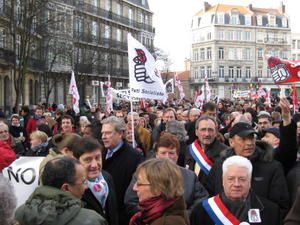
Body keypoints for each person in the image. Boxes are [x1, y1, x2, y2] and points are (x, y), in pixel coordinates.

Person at [205, 122, 290, 219]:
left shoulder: (272, 167)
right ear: (231, 142)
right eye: (243, 139)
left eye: (251, 138)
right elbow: (209, 196)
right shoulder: (220, 166)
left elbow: (281, 206)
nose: (249, 143)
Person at [125, 133, 209, 219]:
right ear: (156, 155)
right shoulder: (142, 175)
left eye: (171, 153)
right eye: (163, 153)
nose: (167, 157)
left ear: (177, 155)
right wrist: (154, 216)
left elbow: (201, 199)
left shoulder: (190, 176)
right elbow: (131, 202)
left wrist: (184, 216)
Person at [15, 157, 107, 225]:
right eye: (83, 182)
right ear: (66, 188)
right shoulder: (92, 220)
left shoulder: (20, 214)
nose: (86, 187)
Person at [190, 155, 280, 225]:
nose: (236, 184)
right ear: (223, 180)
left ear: (250, 181)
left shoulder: (270, 211)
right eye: (231, 179)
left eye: (242, 179)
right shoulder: (202, 211)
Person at [101, 116, 143, 225]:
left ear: (120, 134)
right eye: (102, 133)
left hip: (121, 215)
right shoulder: (99, 152)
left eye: (108, 133)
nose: (104, 137)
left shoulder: (135, 157)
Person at [73, 137, 119, 225]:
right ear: (76, 161)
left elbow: (113, 212)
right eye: (88, 160)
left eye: (97, 158)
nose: (94, 165)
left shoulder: (107, 177)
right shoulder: (74, 187)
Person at [129, 158, 189, 225]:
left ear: (158, 189)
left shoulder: (167, 222)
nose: (134, 188)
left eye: (139, 183)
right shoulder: (150, 215)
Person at [185, 116, 228, 181]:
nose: (207, 134)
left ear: (216, 132)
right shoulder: (189, 149)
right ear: (196, 132)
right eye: (203, 129)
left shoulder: (225, 153)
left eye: (210, 130)